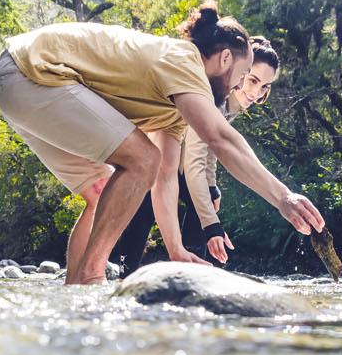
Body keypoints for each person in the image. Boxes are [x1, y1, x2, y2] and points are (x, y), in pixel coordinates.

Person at [0, 1, 322, 284]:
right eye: (244, 72)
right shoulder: (185, 61)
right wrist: (284, 197)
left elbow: (164, 176)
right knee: (140, 159)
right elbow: (221, 140)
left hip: (21, 80)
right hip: (33, 73)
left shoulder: (176, 106)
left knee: (102, 189)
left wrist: (175, 248)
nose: (240, 86)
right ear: (223, 59)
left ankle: (77, 289)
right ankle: (93, 278)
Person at [111, 36, 282, 273]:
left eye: (264, 86)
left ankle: (194, 273)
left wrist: (212, 188)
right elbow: (195, 162)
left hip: (178, 164)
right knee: (146, 208)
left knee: (206, 198)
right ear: (239, 70)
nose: (255, 92)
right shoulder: (212, 96)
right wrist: (212, 225)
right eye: (252, 80)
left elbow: (209, 152)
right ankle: (124, 274)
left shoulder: (231, 103)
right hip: (152, 154)